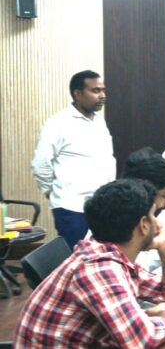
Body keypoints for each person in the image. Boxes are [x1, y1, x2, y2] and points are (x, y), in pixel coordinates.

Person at [15, 179, 165, 348]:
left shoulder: (109, 255)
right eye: (154, 215)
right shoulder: (99, 269)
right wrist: (161, 320)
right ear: (144, 225)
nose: (159, 224)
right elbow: (142, 342)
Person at [31, 70, 116, 249]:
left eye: (103, 90)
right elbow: (41, 164)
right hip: (72, 206)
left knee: (99, 255)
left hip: (101, 204)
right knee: (76, 256)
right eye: (95, 91)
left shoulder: (99, 121)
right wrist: (51, 192)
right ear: (78, 94)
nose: (102, 95)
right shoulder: (58, 123)